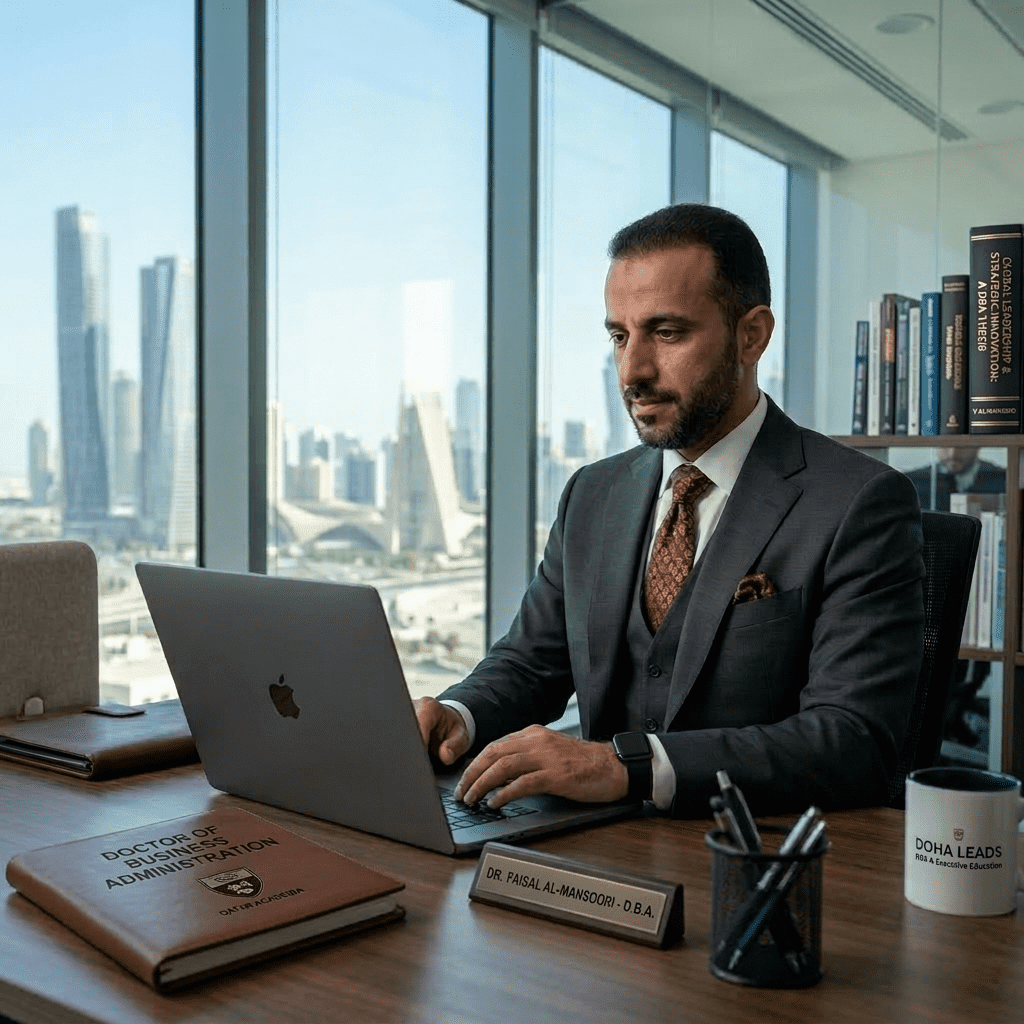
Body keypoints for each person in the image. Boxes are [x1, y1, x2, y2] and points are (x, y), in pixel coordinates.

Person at [415, 203, 925, 817]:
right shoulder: (590, 495)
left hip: (757, 860)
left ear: (751, 335)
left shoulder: (859, 503)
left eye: (667, 333)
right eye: (619, 336)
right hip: (583, 853)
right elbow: (530, 664)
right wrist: (457, 715)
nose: (632, 371)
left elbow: (853, 742)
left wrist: (628, 766)